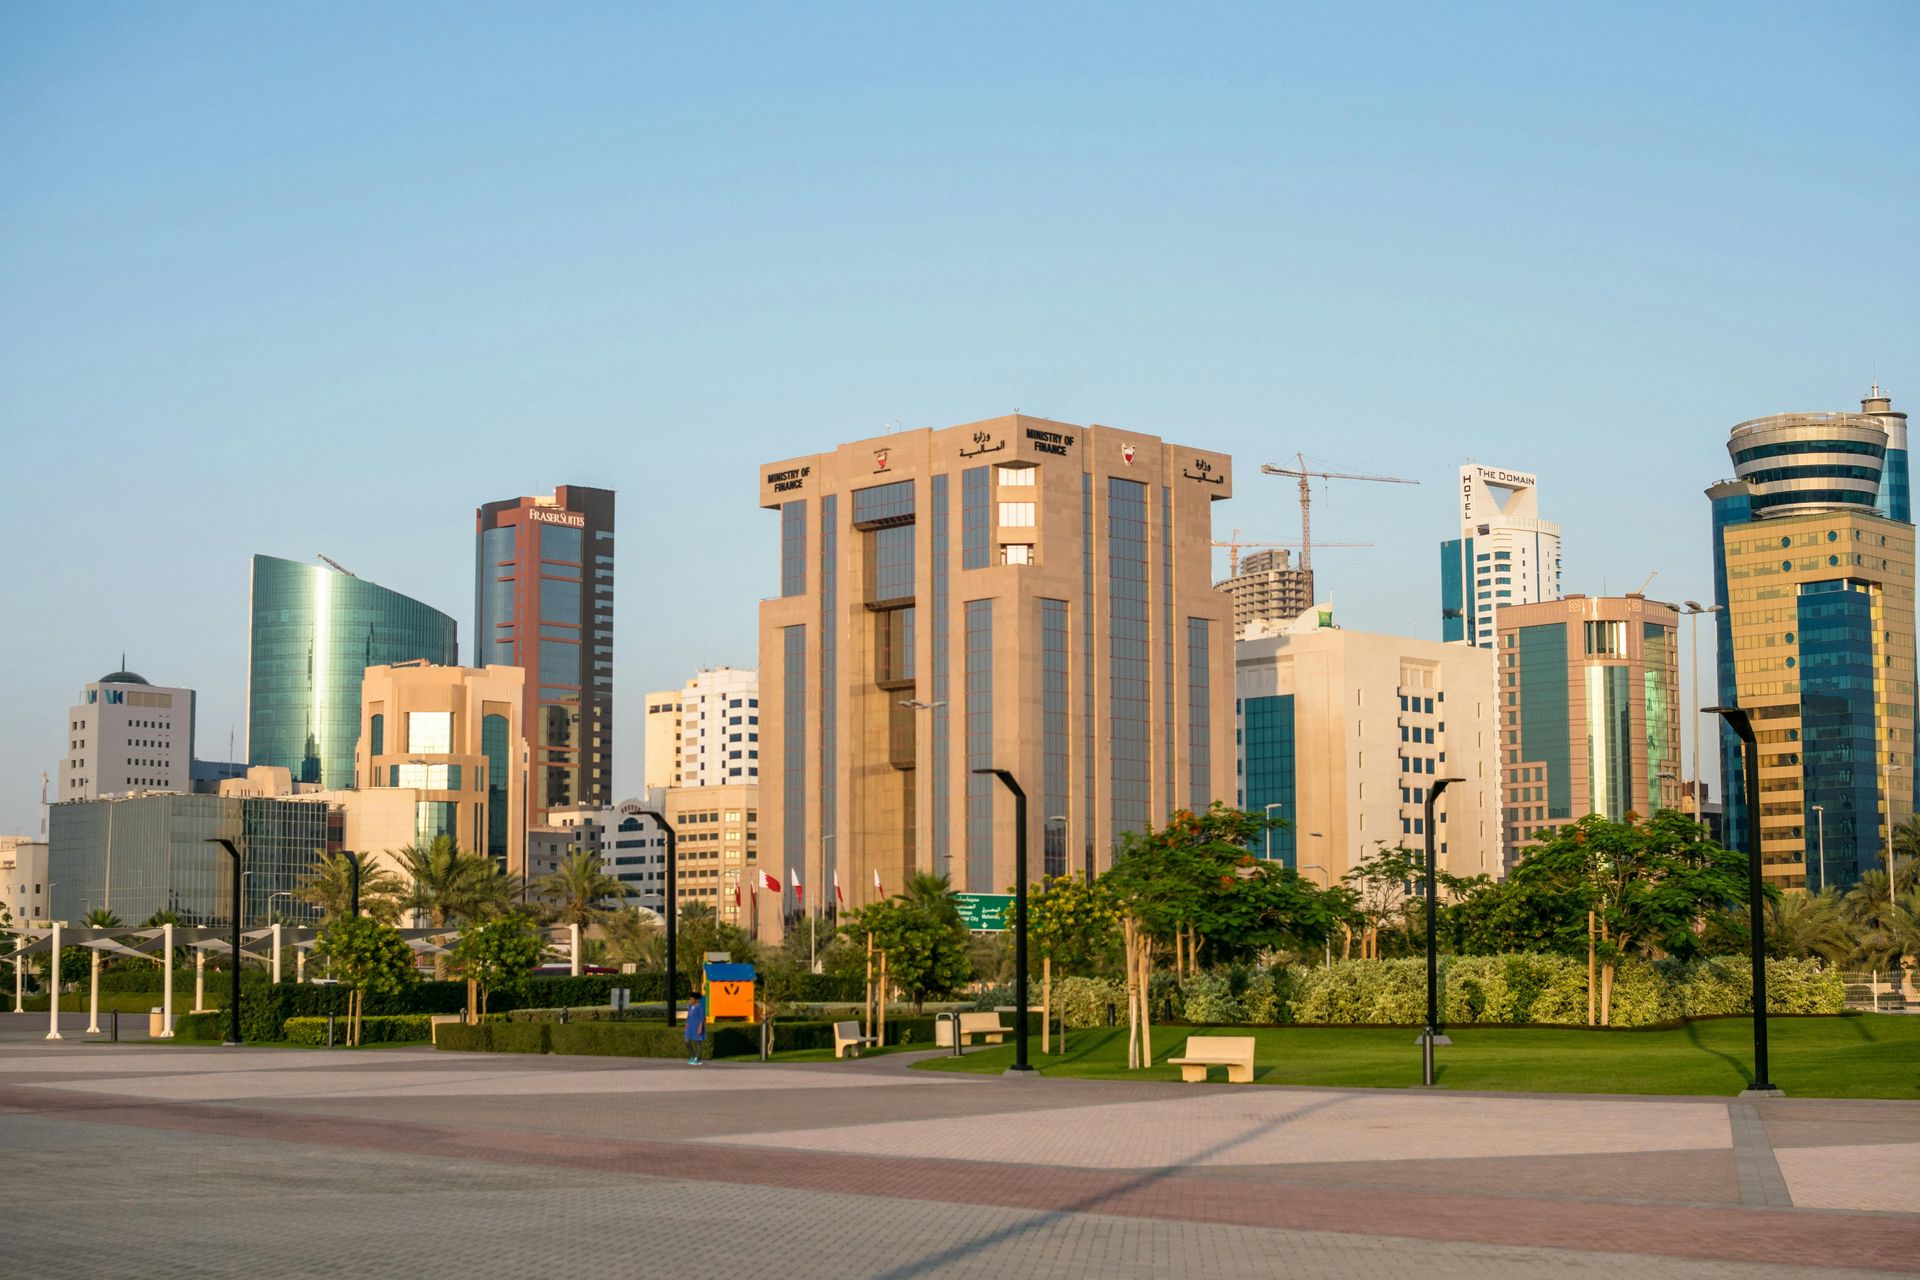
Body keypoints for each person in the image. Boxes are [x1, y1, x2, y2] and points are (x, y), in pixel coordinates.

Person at [684, 992, 707, 1066]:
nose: (690, 1000)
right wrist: (686, 1023)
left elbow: (702, 1018)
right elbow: (688, 1015)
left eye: (692, 999)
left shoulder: (700, 1007)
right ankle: (693, 1055)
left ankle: (698, 1059)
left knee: (698, 1043)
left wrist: (700, 1027)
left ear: (696, 999)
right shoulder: (690, 1006)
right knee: (686, 1041)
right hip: (690, 1027)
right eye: (690, 999)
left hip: (697, 1027)